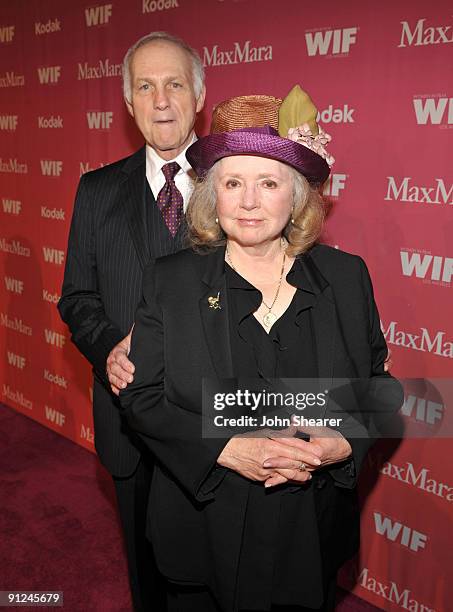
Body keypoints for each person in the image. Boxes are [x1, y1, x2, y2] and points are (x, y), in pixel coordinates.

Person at [118, 87, 403, 612]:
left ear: (296, 197)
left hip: (309, 523)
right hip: (203, 519)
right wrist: (226, 449)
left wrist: (343, 442)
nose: (249, 201)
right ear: (213, 195)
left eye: (268, 183)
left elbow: (378, 388)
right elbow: (142, 397)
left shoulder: (346, 278)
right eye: (232, 183)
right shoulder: (170, 281)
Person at [58, 31, 206, 611]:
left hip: (210, 419)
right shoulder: (95, 191)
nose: (161, 100)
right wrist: (108, 348)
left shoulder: (237, 186)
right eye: (145, 86)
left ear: (198, 95)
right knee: (144, 572)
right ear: (129, 102)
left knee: (213, 570)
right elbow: (77, 298)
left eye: (173, 84)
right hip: (126, 421)